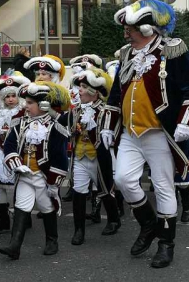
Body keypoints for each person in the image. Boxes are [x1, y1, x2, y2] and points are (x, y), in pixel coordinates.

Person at [101, 0, 189, 268]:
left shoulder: (173, 51)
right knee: (123, 180)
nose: (126, 34)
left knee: (163, 187)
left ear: (148, 29)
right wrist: (108, 125)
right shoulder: (126, 54)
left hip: (159, 133)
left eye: (131, 30)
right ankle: (148, 225)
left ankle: (166, 244)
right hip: (130, 133)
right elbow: (115, 94)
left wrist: (186, 121)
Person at [0, 81, 70, 260]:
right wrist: (16, 163)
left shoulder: (55, 128)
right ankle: (14, 246)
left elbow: (60, 158)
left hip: (43, 177)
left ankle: (52, 241)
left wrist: (54, 183)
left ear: (43, 105)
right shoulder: (20, 124)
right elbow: (10, 145)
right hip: (25, 175)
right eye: (26, 102)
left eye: (30, 103)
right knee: (21, 207)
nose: (26, 106)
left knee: (46, 208)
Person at [68, 67, 121, 245]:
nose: (79, 90)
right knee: (79, 192)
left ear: (94, 91)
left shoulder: (105, 110)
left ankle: (114, 220)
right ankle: (79, 230)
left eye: (83, 86)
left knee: (105, 190)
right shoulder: (75, 111)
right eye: (79, 87)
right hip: (79, 157)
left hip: (99, 157)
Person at [0, 71, 30, 233]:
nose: (11, 99)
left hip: (19, 152)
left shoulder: (24, 112)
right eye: (7, 96)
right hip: (1, 152)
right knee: (0, 186)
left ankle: (24, 218)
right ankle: (3, 219)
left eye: (13, 95)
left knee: (21, 185)